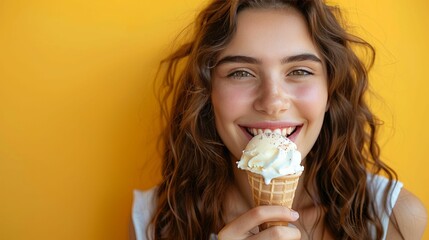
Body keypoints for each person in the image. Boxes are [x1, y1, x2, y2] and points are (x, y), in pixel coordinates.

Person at [131, 0, 427, 239]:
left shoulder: (394, 219)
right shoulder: (155, 222)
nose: (272, 102)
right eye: (241, 73)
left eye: (300, 71)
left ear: (331, 92)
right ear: (208, 93)